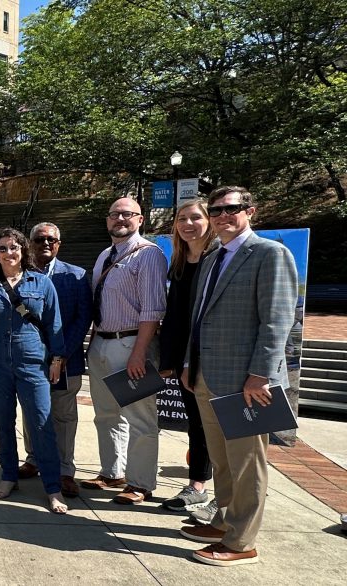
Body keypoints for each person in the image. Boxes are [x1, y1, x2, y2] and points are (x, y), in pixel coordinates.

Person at [178, 186, 297, 566]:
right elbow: (199, 319)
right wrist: (187, 364)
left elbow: (277, 320)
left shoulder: (269, 253)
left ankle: (241, 542)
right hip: (206, 376)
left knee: (247, 464)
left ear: (251, 211)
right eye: (216, 210)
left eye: (232, 209)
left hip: (246, 382)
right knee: (223, 460)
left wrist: (260, 375)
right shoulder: (215, 257)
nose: (223, 216)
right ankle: (224, 521)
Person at [0, 228, 68, 514]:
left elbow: (54, 323)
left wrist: (57, 359)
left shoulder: (42, 284)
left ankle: (52, 487)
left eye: (14, 247)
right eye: (2, 248)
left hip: (33, 364)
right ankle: (9, 475)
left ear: (23, 251)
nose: (8, 253)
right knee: (3, 423)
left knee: (41, 424)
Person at [79, 197, 167, 505]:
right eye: (115, 214)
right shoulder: (105, 255)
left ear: (140, 220)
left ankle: (140, 483)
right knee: (106, 414)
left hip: (132, 344)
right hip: (102, 341)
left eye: (128, 214)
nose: (120, 219)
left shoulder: (149, 255)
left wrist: (139, 353)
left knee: (140, 419)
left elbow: (153, 310)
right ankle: (112, 472)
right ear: (107, 220)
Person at [16, 223, 93, 498]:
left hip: (67, 361)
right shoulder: (20, 275)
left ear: (59, 244)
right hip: (32, 360)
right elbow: (19, 310)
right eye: (39, 239)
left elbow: (82, 319)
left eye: (51, 239)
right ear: (31, 243)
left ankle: (64, 470)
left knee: (63, 416)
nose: (45, 243)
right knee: (31, 411)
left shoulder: (76, 276)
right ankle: (34, 459)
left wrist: (60, 354)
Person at [158, 200, 218, 511]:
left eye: (196, 217)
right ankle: (197, 486)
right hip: (184, 360)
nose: (188, 224)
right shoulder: (179, 262)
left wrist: (189, 362)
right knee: (197, 423)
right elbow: (175, 316)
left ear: (210, 221)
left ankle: (228, 494)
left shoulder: (220, 259)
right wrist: (171, 361)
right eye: (182, 218)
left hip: (212, 360)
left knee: (223, 428)